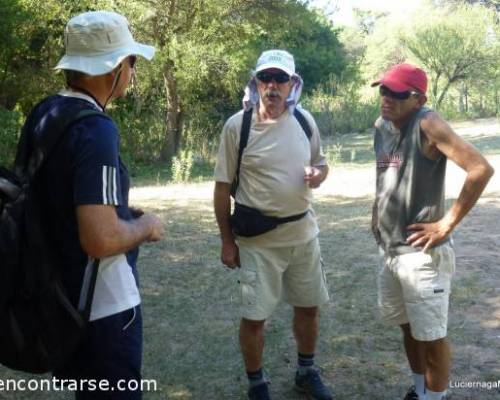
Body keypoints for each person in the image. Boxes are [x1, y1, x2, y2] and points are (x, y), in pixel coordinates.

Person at [23, 11, 162, 399]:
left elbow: (60, 205)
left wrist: (120, 215)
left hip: (61, 301)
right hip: (103, 309)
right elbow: (100, 239)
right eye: (131, 61)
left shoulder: (45, 114)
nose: (133, 70)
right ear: (113, 68)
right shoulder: (95, 129)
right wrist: (145, 226)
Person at [214, 49, 332, 400]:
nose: (272, 86)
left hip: (303, 236)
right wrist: (226, 241)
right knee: (254, 317)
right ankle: (257, 384)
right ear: (256, 82)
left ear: (293, 84)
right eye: (266, 78)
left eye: (281, 79)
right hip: (257, 242)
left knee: (309, 307)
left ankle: (306, 371)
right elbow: (222, 189)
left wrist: (319, 174)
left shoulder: (305, 121)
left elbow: (322, 165)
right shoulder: (239, 126)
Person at [371, 63, 494, 400]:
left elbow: (480, 169)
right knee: (408, 326)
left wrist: (447, 223)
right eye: (383, 90)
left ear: (418, 98)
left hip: (421, 256)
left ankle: (435, 397)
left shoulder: (428, 123)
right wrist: (376, 215)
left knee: (432, 336)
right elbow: (386, 177)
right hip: (390, 250)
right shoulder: (382, 126)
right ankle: (419, 390)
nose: (386, 98)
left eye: (397, 93)